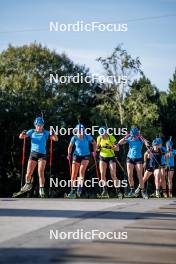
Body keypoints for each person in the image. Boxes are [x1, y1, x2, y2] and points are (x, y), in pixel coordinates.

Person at [19, 117, 58, 198]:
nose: (39, 127)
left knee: (40, 172)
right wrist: (22, 133)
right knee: (28, 173)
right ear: (35, 125)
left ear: (43, 125)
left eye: (41, 125)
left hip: (42, 155)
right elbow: (21, 137)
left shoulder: (46, 132)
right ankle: (27, 184)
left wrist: (53, 133)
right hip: (33, 154)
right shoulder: (31, 131)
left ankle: (41, 189)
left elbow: (56, 139)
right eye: (38, 125)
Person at [67, 124, 96, 198]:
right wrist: (69, 154)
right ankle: (72, 190)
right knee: (74, 173)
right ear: (76, 131)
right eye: (79, 130)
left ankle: (79, 189)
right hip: (76, 155)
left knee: (81, 171)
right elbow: (70, 147)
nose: (81, 132)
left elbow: (94, 143)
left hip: (86, 155)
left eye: (82, 130)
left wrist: (94, 151)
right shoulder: (74, 137)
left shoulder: (87, 136)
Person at [118, 127, 149, 199]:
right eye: (133, 136)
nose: (134, 137)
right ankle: (132, 190)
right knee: (129, 175)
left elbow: (147, 143)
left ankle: (143, 191)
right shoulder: (129, 139)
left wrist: (143, 138)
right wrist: (126, 137)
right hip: (130, 158)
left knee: (140, 175)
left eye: (135, 136)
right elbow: (119, 143)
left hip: (138, 158)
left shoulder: (140, 139)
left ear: (138, 134)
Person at [96, 127, 123, 198]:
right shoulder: (99, 138)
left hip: (111, 157)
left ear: (106, 132)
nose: (102, 135)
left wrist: (110, 147)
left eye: (103, 134)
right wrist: (97, 148)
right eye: (100, 134)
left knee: (113, 174)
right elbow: (97, 148)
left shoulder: (111, 138)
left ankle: (118, 191)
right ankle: (104, 191)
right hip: (102, 157)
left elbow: (117, 149)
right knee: (102, 174)